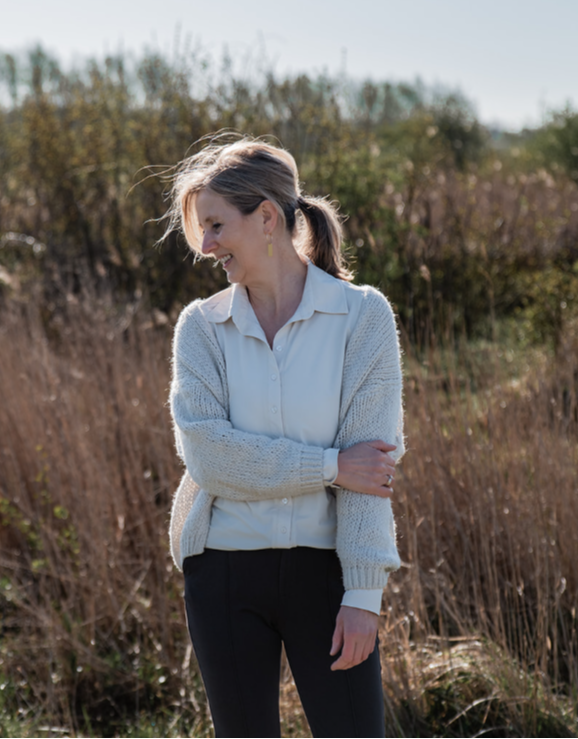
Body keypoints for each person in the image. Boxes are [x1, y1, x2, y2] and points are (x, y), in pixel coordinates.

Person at [163, 136, 405, 738]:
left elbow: (372, 470)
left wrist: (364, 596)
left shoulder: (363, 317)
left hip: (327, 576)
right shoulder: (201, 328)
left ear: (267, 218)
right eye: (202, 229)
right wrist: (331, 466)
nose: (206, 245)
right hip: (222, 575)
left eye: (216, 225)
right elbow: (211, 459)